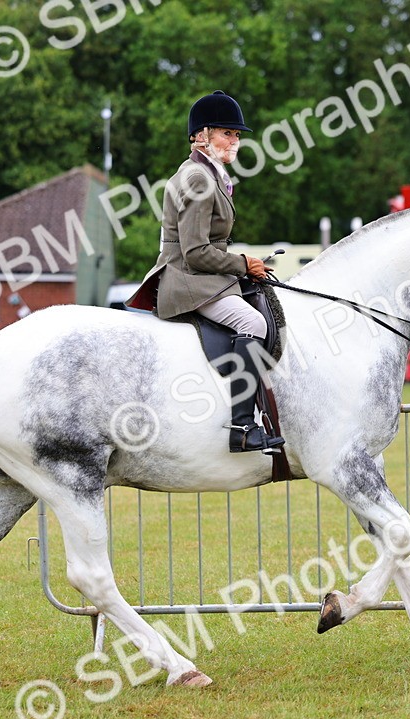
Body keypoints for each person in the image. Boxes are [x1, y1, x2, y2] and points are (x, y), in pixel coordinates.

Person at [128, 90, 284, 455]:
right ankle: (242, 427)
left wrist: (243, 266)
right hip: (187, 281)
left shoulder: (211, 174)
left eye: (237, 135)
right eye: (227, 133)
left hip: (203, 277)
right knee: (253, 324)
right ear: (202, 135)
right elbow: (196, 251)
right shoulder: (198, 178)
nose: (235, 140)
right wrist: (242, 264)